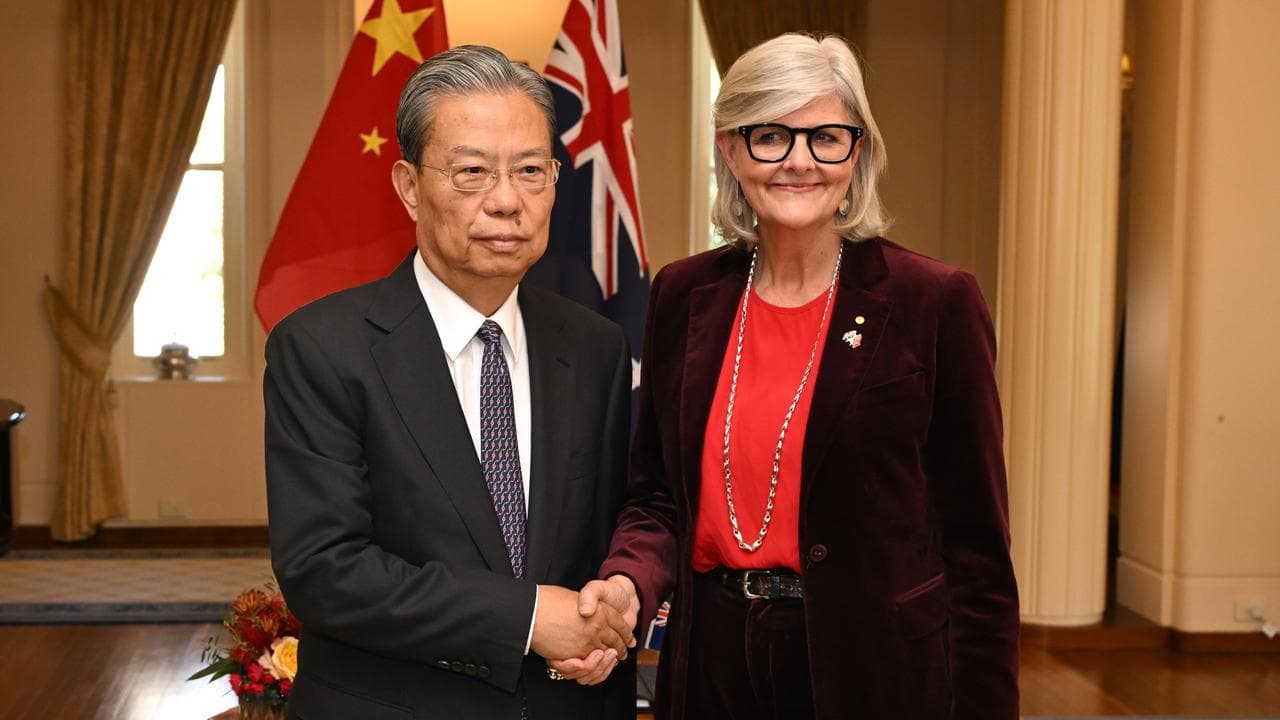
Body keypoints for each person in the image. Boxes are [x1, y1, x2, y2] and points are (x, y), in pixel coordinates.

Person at [572, 33, 1020, 718]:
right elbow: (657, 496)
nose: (800, 161)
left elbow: (977, 551)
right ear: (731, 150)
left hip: (872, 667)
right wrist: (627, 581)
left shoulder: (933, 302)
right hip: (711, 660)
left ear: (857, 152)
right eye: (771, 136)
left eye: (826, 138)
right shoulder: (684, 295)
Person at [264, 45, 638, 720]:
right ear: (410, 186)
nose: (507, 201)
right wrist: (527, 618)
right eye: (472, 172)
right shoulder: (321, 348)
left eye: (531, 171)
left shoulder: (595, 347)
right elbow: (326, 571)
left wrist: (613, 598)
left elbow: (607, 534)